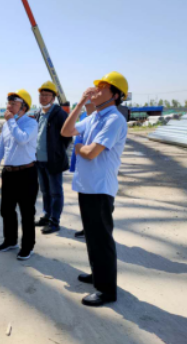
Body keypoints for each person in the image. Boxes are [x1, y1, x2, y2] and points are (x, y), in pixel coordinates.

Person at [61, 71, 128, 307]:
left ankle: (107, 290)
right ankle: (97, 275)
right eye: (96, 87)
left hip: (100, 188)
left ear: (116, 95)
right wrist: (80, 103)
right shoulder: (94, 117)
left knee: (102, 240)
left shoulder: (114, 119)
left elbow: (90, 153)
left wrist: (78, 148)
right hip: (87, 186)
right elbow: (66, 131)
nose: (96, 91)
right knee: (91, 237)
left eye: (102, 88)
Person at [0, 89, 39, 261]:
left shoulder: (30, 123)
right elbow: (0, 147)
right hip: (9, 173)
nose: (9, 106)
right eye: (8, 102)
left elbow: (22, 139)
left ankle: (28, 247)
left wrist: (11, 121)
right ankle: (10, 241)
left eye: (14, 103)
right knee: (6, 210)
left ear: (24, 106)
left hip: (26, 173)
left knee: (27, 212)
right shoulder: (6, 124)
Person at [34, 81, 72, 234]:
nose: (43, 98)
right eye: (41, 95)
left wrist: (57, 151)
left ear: (53, 97)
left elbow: (67, 136)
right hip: (39, 160)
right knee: (45, 191)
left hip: (53, 160)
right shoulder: (38, 114)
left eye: (46, 95)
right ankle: (47, 215)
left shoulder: (59, 113)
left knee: (56, 192)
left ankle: (55, 221)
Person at [69, 99, 97, 238]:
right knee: (84, 199)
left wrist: (80, 149)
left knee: (95, 201)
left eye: (89, 100)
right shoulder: (83, 118)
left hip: (91, 160)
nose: (87, 102)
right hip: (80, 159)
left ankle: (94, 228)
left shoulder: (99, 118)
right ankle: (86, 227)